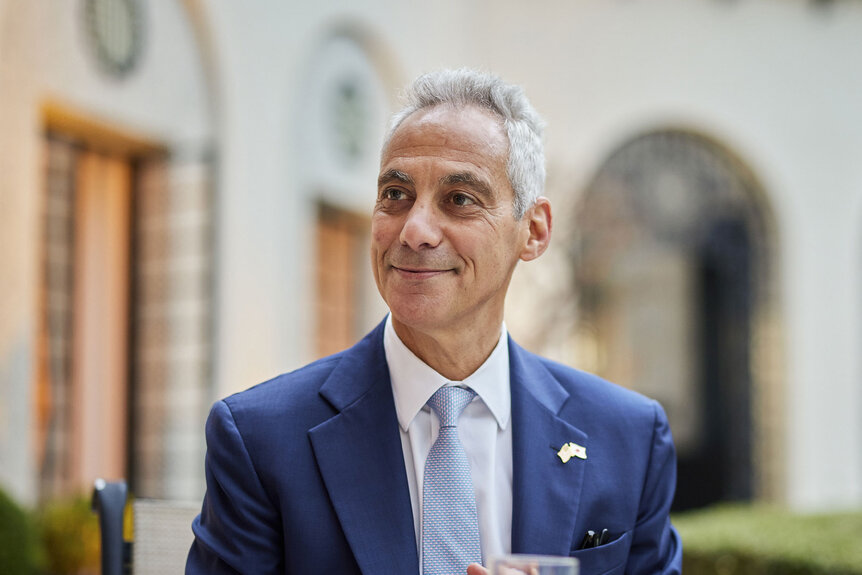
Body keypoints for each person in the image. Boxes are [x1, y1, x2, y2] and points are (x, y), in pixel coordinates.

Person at [186, 68, 682, 575]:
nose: (415, 230)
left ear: (532, 231)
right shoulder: (260, 438)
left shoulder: (628, 438)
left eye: (460, 200)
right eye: (396, 195)